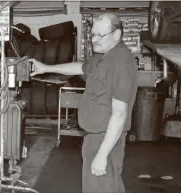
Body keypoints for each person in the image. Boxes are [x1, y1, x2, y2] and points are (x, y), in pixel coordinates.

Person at [29, 13, 138, 193]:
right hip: (94, 138)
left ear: (117, 35)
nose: (94, 40)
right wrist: (46, 68)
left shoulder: (120, 62)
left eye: (99, 35)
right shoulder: (102, 56)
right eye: (92, 34)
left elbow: (120, 114)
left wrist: (102, 155)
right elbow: (80, 67)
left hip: (104, 141)